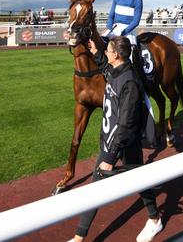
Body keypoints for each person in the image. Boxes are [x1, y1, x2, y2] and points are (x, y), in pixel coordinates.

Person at [71, 36, 162, 242]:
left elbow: (127, 123)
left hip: (120, 142)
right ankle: (155, 218)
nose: (106, 53)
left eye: (108, 50)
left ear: (117, 55)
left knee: (98, 185)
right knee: (138, 178)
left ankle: (79, 237)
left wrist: (110, 156)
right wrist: (96, 52)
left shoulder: (130, 81)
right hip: (114, 140)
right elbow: (107, 70)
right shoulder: (117, 70)